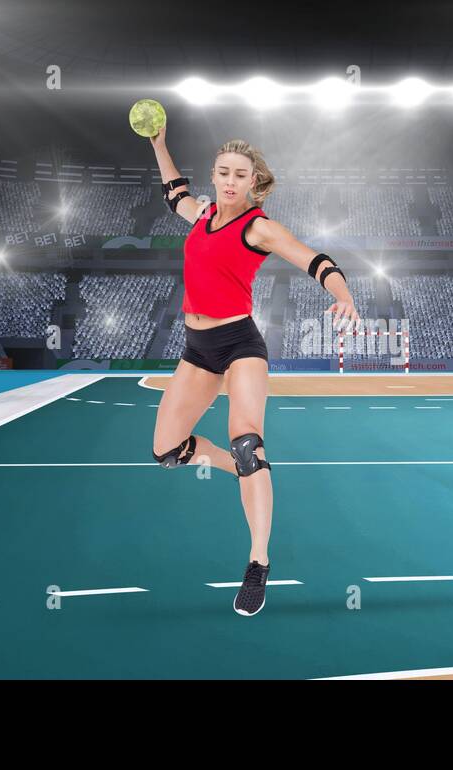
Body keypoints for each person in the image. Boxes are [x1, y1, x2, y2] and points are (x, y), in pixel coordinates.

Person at [147, 118, 360, 616]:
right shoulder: (200, 214)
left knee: (247, 441)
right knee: (168, 451)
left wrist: (343, 292)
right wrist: (159, 144)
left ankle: (257, 563)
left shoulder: (259, 227)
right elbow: (173, 191)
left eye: (240, 174)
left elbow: (314, 260)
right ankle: (245, 469)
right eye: (222, 172)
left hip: (239, 343)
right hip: (197, 347)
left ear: (253, 182)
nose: (228, 180)